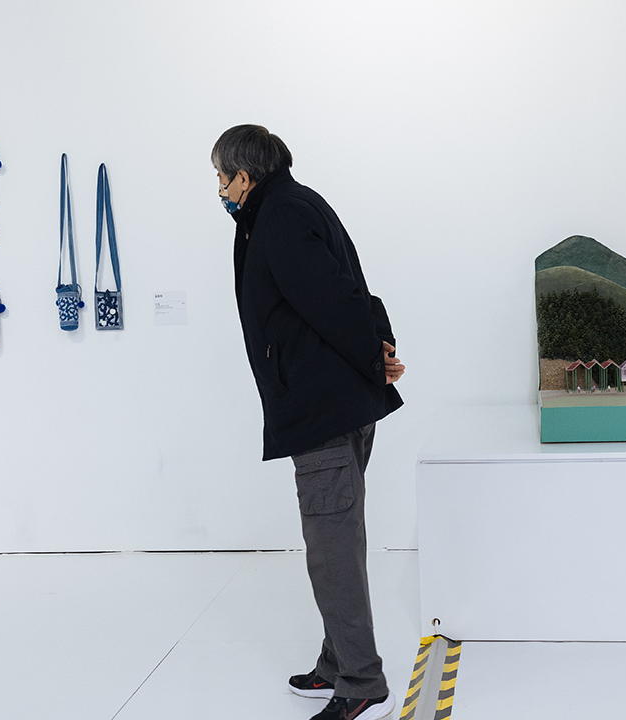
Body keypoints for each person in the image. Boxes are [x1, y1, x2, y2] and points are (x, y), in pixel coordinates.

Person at [211, 125, 405, 720]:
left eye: (222, 178)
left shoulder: (278, 218)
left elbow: (333, 299)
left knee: (330, 549)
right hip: (338, 402)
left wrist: (373, 353)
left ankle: (361, 682)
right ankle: (335, 662)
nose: (219, 190)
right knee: (338, 538)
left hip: (324, 409)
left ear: (246, 176)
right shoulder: (295, 204)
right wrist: (379, 345)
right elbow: (350, 286)